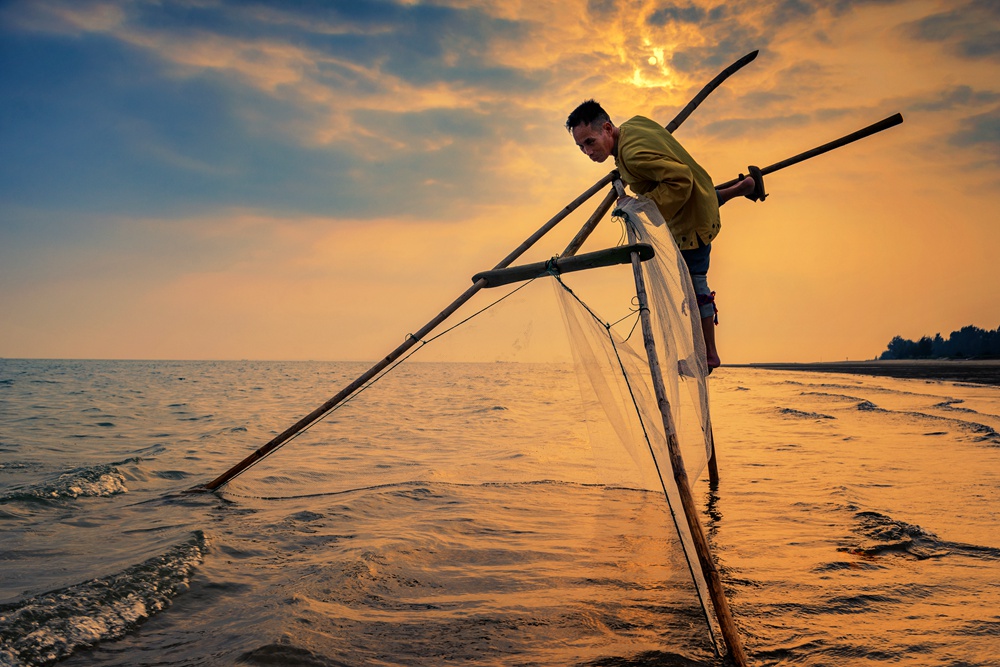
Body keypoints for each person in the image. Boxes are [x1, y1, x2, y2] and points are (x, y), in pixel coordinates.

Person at [565, 99, 762, 370]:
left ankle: (709, 356)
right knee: (700, 200)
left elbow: (680, 181)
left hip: (692, 223)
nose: (587, 151)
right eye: (581, 147)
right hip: (702, 193)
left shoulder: (633, 156)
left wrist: (637, 206)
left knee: (695, 287)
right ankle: (745, 187)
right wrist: (621, 166)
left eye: (590, 142)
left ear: (607, 129)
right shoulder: (634, 125)